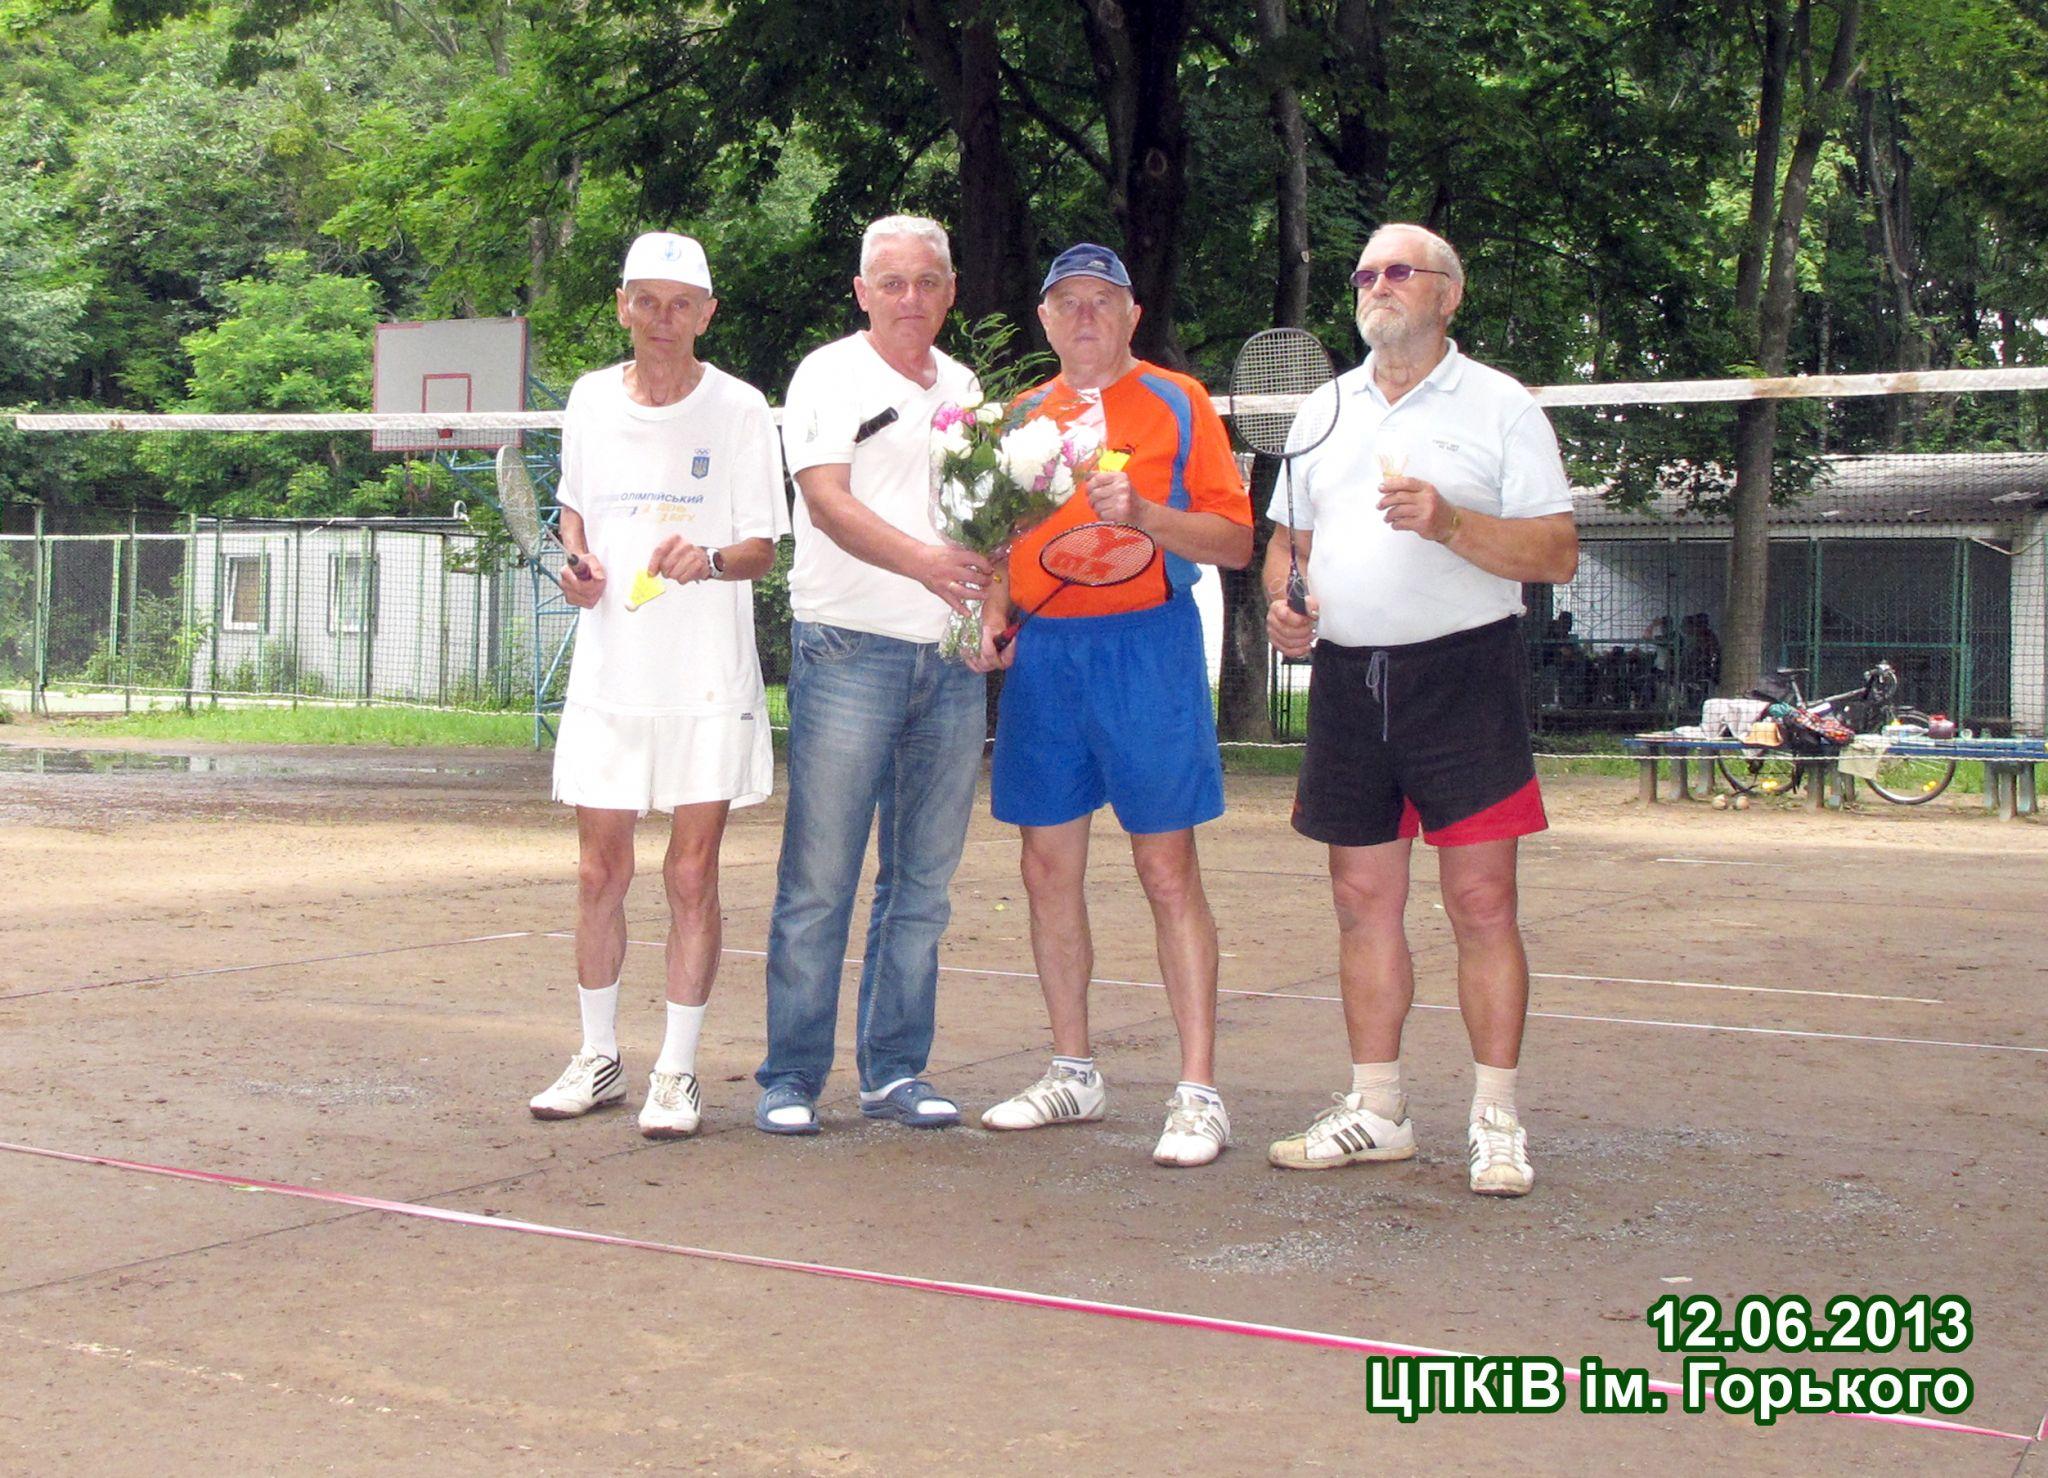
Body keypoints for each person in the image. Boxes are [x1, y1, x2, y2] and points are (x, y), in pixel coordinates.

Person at [1263, 223, 1578, 1197]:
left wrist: (1448, 523)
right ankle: (1377, 1107)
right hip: (1350, 686)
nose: (1376, 286)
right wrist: (1284, 607)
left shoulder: (1500, 406)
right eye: (1364, 274)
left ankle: (1494, 1120)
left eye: (1397, 271)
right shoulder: (1323, 407)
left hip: (1463, 680)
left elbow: (1556, 552)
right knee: (1362, 902)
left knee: (1481, 903)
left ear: (1447, 293)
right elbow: (1286, 542)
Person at [967, 243, 1253, 1168]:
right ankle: (1073, 1071)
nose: (1085, 317)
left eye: (1103, 301)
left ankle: (1198, 1091)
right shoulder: (1014, 419)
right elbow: (996, 541)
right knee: (1046, 869)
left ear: (1132, 316)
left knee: (1166, 870)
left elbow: (1238, 542)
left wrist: (1146, 519)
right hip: (1048, 660)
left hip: (1148, 651)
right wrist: (993, 616)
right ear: (1044, 321)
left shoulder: (1180, 401)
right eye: (1067, 303)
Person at [529, 230, 789, 1138]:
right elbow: (574, 515)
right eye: (648, 301)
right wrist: (577, 567)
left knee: (691, 873)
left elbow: (762, 548)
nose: (665, 320)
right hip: (610, 674)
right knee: (600, 869)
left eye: (683, 304)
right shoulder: (590, 400)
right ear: (622, 307)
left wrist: (707, 558)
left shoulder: (744, 408)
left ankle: (675, 1072)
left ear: (707, 313)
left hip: (707, 682)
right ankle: (599, 1056)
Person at [752, 215, 991, 1135]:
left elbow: (983, 515)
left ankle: (895, 1070)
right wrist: (928, 567)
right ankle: (791, 1077)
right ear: (861, 292)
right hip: (848, 649)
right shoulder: (827, 373)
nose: (910, 298)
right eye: (891, 282)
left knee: (922, 885)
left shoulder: (966, 386)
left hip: (949, 664)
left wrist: (986, 608)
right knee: (820, 878)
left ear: (950, 289)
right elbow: (827, 502)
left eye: (927, 281)